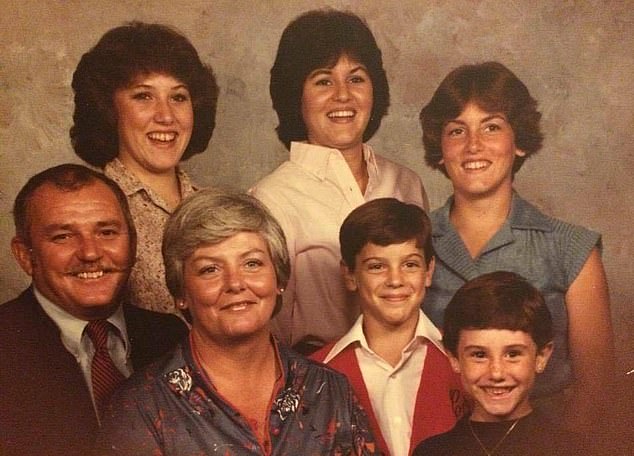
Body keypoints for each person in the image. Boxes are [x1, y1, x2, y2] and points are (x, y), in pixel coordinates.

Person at [94, 189, 379, 455]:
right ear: (181, 293)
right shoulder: (140, 407)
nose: (235, 283)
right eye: (210, 269)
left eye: (252, 263)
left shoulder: (330, 390)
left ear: (278, 278)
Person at [418, 61, 614, 429]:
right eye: (457, 130)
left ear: (519, 141)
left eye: (491, 126)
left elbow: (595, 389)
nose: (473, 145)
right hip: (433, 440)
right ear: (440, 150)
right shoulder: (412, 243)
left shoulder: (570, 248)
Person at [250, 9, 428, 354]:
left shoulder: (406, 183)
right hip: (314, 380)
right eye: (323, 80)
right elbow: (268, 333)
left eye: (357, 78)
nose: (343, 95)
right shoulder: (269, 200)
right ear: (294, 96)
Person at [0, 164, 187, 456]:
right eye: (63, 236)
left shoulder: (171, 338)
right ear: (25, 255)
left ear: (133, 243)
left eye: (107, 232)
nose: (90, 253)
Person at [70, 21, 218, 319]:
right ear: (108, 110)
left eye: (178, 97)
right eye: (143, 96)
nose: (166, 116)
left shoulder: (215, 208)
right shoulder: (92, 210)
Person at [312, 198, 465, 456]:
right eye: (377, 266)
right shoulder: (316, 373)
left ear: (428, 272)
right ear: (350, 275)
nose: (395, 280)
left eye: (410, 264)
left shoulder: (464, 361)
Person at [413, 271, 589, 455]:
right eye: (479, 355)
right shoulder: (431, 452)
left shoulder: (572, 450)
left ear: (541, 356)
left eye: (512, 354)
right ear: (454, 359)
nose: (496, 373)